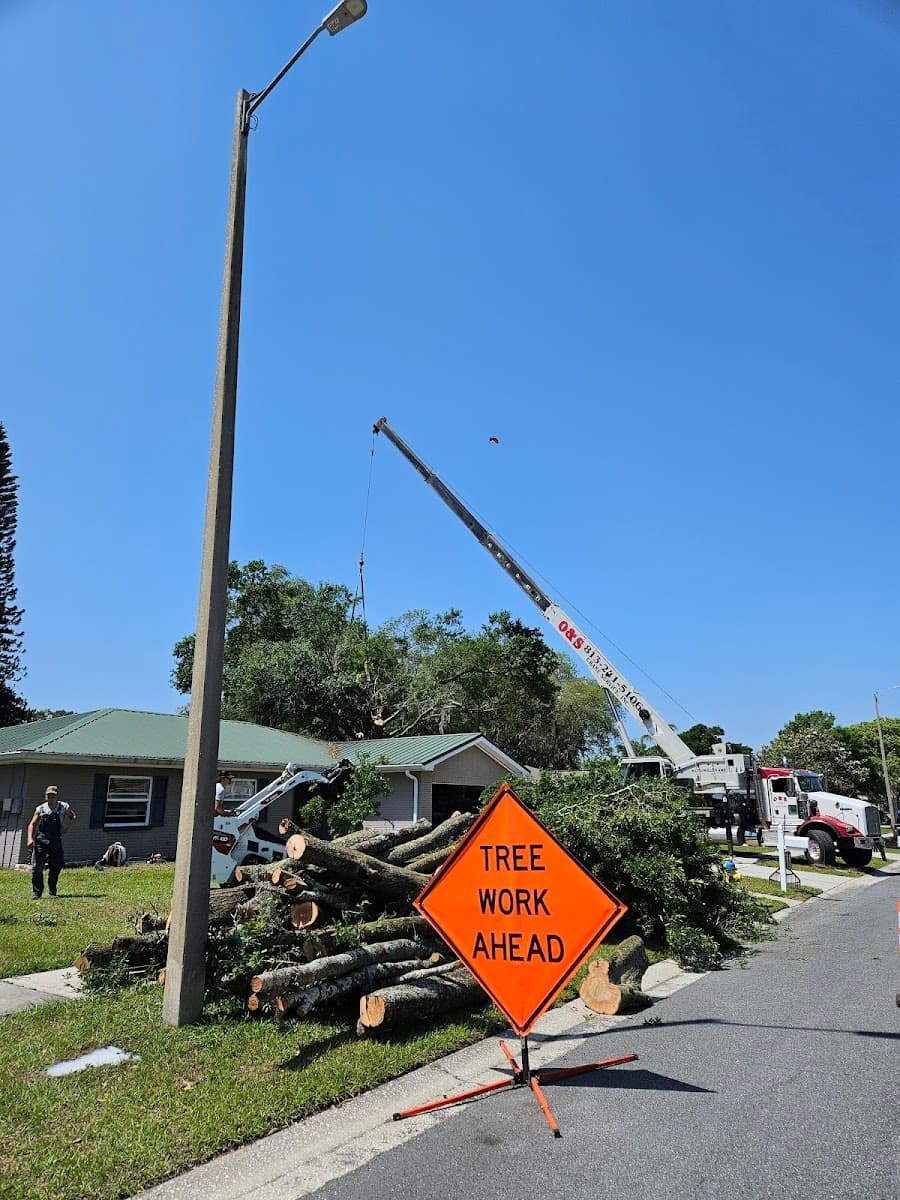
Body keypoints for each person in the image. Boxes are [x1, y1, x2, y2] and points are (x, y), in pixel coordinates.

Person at [26, 785, 76, 899]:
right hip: (41, 840)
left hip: (55, 840)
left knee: (56, 865)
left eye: (53, 796)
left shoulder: (63, 807)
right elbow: (32, 824)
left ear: (57, 797)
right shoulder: (41, 809)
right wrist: (30, 838)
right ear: (45, 797)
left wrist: (66, 827)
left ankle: (52, 889)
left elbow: (73, 816)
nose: (51, 798)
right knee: (37, 867)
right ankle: (36, 893)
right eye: (49, 796)